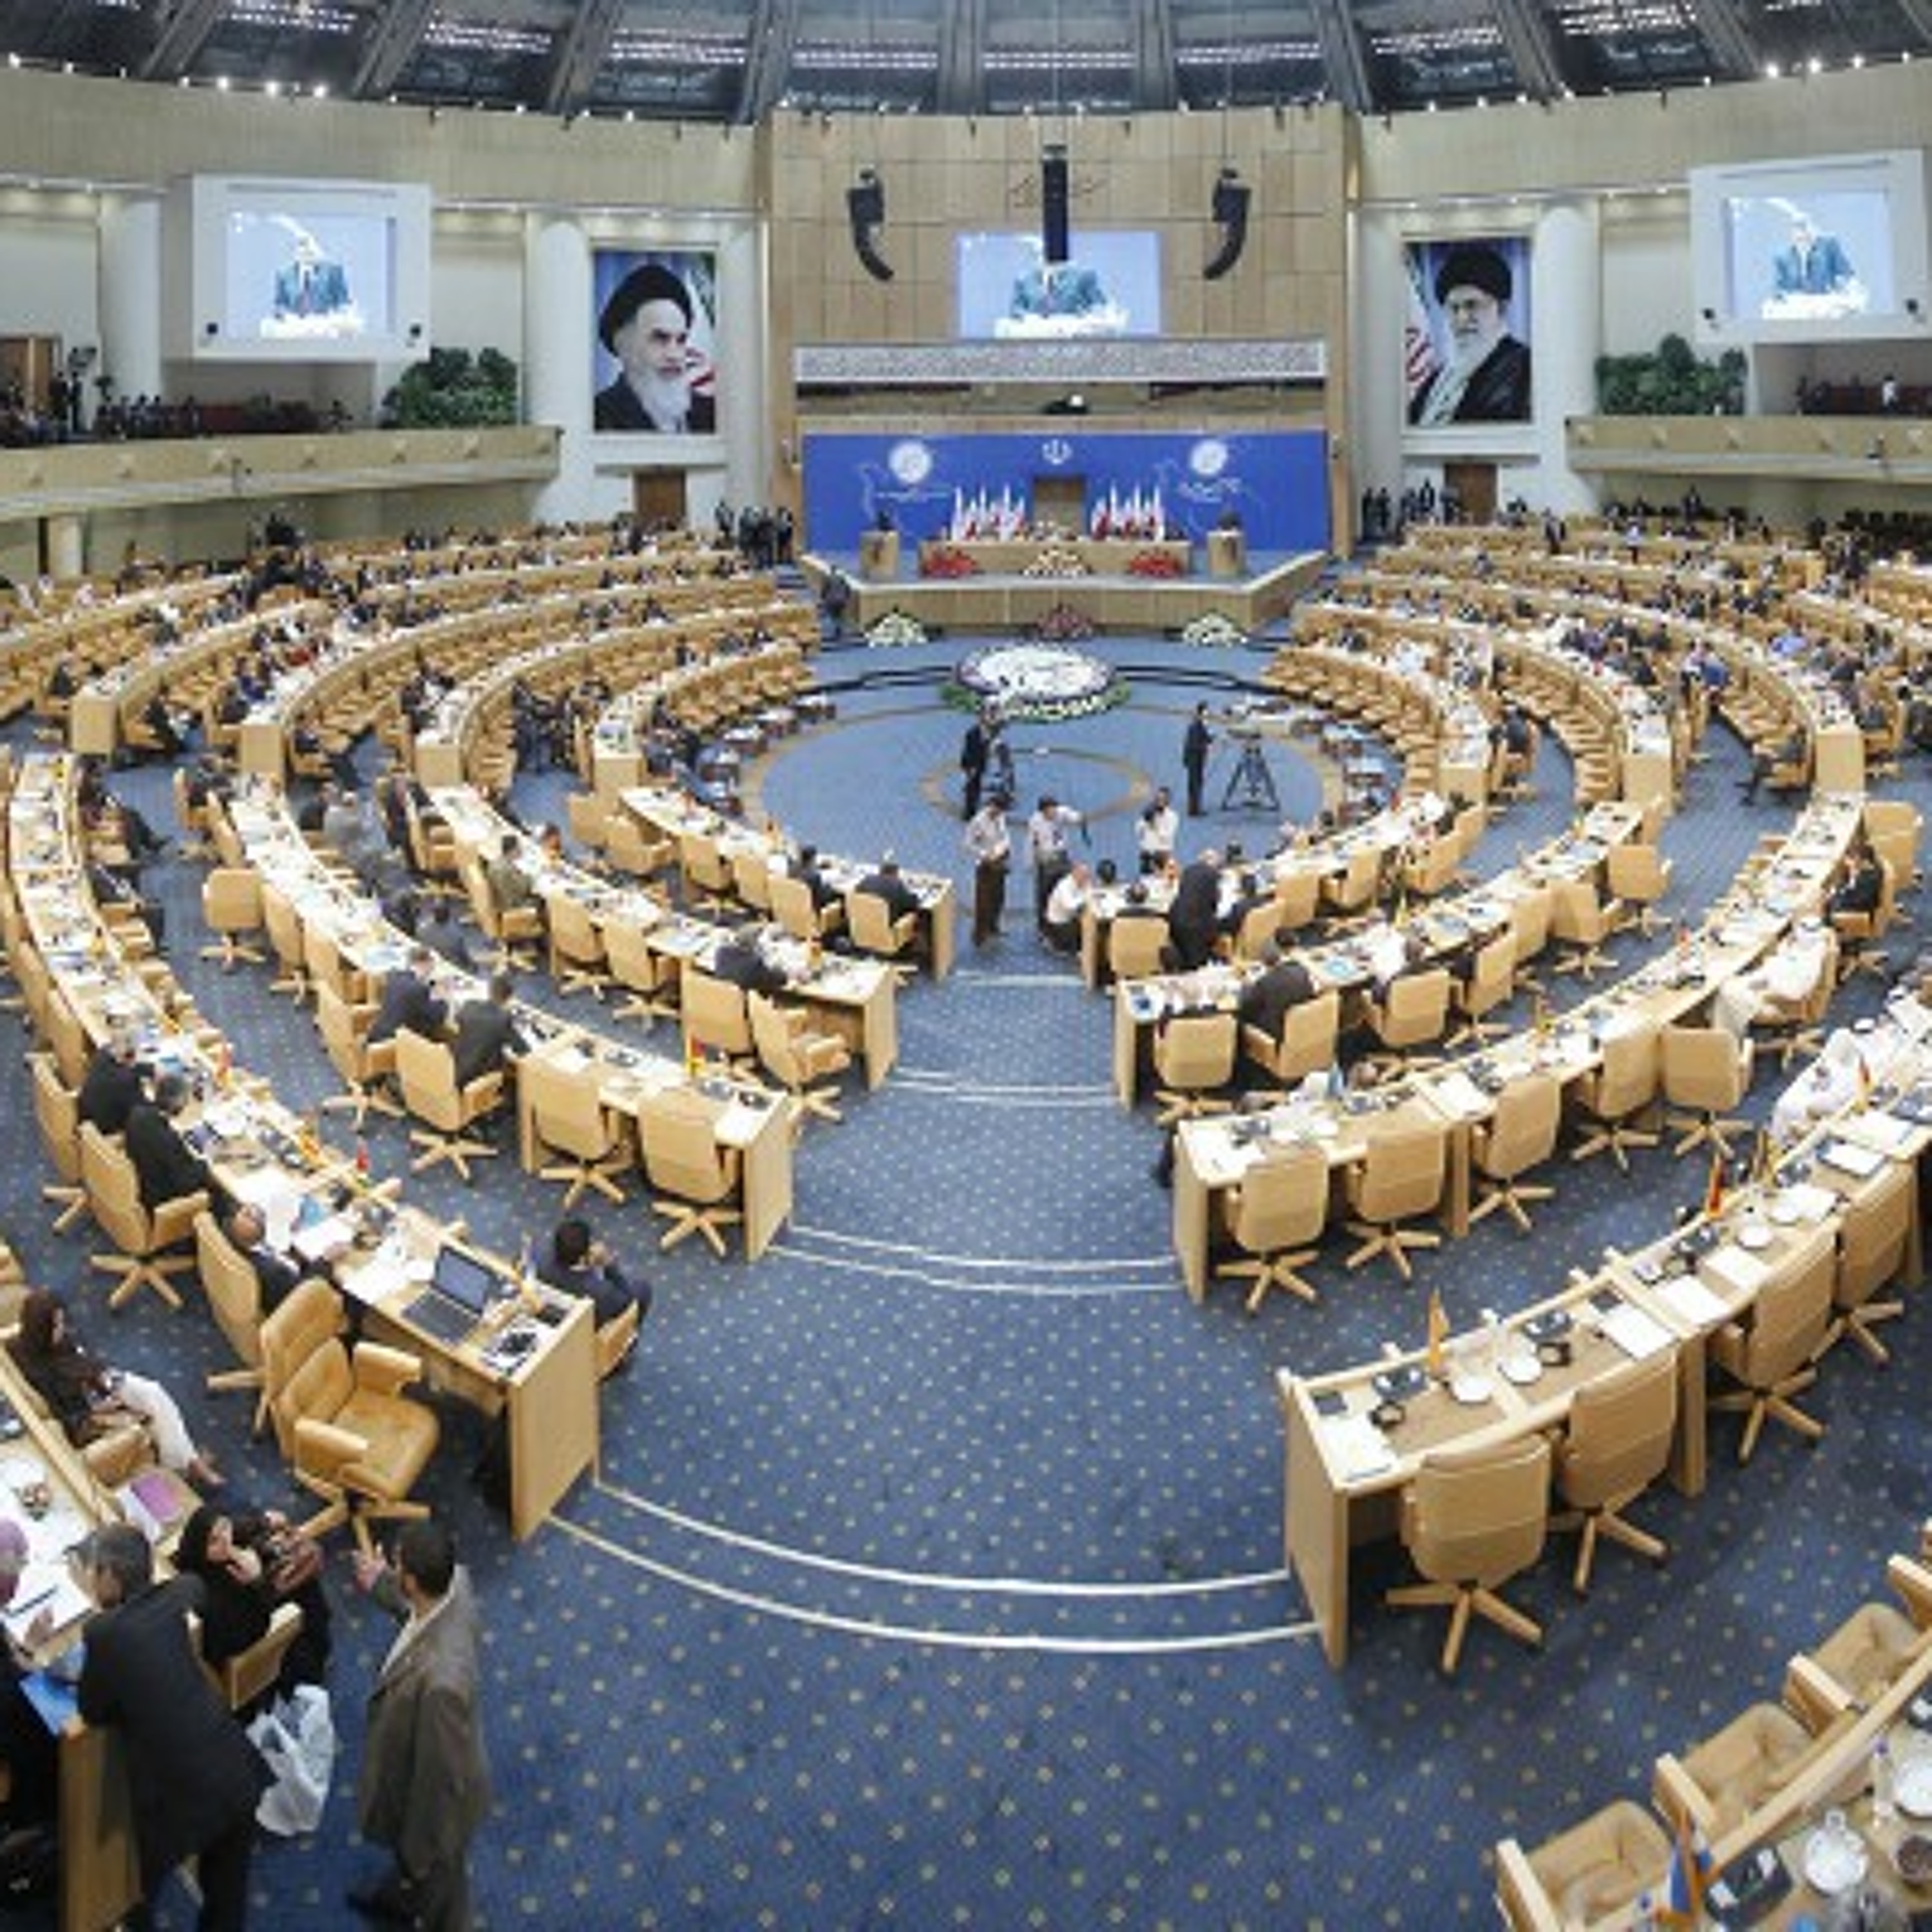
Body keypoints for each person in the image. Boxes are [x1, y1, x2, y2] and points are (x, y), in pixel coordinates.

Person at [75, 1524, 267, 1932]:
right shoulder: (180, 1592)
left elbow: (92, 1712)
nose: (89, 1579)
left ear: (109, 1576)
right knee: (227, 1900)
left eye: (91, 1571)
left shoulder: (103, 1634)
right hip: (234, 1769)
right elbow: (193, 1585)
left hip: (178, 1801)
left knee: (138, 1887)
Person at [350, 1519, 490, 1932]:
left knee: (443, 1894)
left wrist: (419, 1852)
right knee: (420, 1878)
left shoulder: (441, 1686)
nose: (390, 1568)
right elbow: (419, 1614)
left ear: (411, 1580)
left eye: (395, 1566)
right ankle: (406, 1894)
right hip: (418, 1764)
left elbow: (437, 1782)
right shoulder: (456, 1583)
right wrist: (380, 1583)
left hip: (440, 1811)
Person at [9, 1288, 223, 1490]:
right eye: (57, 1325)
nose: (63, 1328)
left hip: (98, 1382)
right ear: (41, 1329)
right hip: (89, 1409)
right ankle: (189, 1465)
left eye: (62, 1321)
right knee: (150, 1415)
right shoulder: (38, 1370)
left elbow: (80, 1361)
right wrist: (101, 1410)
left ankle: (188, 1462)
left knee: (153, 1393)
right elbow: (66, 1416)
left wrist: (102, 1381)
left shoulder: (50, 1343)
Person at [175, 1504, 333, 1698]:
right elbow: (256, 1629)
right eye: (214, 1541)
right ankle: (316, 1651)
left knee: (300, 1562)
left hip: (251, 1598)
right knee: (307, 1585)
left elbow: (237, 1527)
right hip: (248, 1635)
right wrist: (257, 1582)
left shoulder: (203, 1551)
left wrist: (264, 1521)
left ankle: (319, 1627)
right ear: (202, 1549)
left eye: (225, 1527)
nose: (226, 1541)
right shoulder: (211, 1592)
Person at [1408, 243, 1533, 426]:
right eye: (1453, 308)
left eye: (1472, 305)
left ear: (1502, 308)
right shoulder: (1438, 378)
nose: (1462, 319)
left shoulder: (1525, 367)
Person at [594, 261, 715, 434]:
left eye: (681, 340)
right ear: (623, 345)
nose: (675, 355)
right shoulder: (599, 416)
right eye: (660, 339)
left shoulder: (710, 413)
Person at [541, 1216, 649, 1335]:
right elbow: (626, 1299)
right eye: (591, 1243)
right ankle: (631, 1335)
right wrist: (608, 1263)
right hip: (587, 1329)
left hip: (557, 1318)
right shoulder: (601, 1292)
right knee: (642, 1288)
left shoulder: (541, 1263)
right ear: (582, 1258)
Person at [124, 1070, 214, 1213]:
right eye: (186, 1100)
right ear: (177, 1103)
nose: (186, 1103)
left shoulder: (137, 1113)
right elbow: (184, 1183)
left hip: (142, 1181)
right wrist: (206, 1162)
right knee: (214, 1184)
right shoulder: (168, 1140)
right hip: (161, 1199)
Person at [450, 971, 528, 1092]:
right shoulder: (503, 1020)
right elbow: (523, 1050)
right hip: (479, 1080)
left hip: (457, 1068)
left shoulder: (470, 1005)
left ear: (489, 990)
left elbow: (457, 1019)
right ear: (509, 998)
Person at [223, 1201, 305, 1311]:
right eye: (249, 1216)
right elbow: (304, 1293)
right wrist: (324, 1261)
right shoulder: (275, 1272)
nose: (254, 1213)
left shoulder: (226, 1230)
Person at [1237, 935, 1316, 1040]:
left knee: (1236, 1020)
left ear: (1265, 963)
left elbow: (1246, 1007)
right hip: (1300, 1029)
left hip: (1273, 1035)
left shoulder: (1265, 983)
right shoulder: (1301, 971)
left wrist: (1245, 985)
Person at [1025, 795, 1084, 934]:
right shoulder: (1035, 821)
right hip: (1046, 859)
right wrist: (1030, 862)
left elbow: (1074, 816)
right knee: (1044, 893)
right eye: (1050, 810)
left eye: (1054, 808)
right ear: (1043, 811)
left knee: (1067, 886)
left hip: (1062, 857)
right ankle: (1043, 926)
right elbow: (1030, 843)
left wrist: (1079, 818)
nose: (1053, 812)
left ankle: (1065, 917)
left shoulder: (1060, 812)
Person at [77, 1021, 148, 1135]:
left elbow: (129, 1067)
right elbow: (146, 1114)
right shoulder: (126, 1081)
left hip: (88, 1123)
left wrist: (148, 1069)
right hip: (109, 1134)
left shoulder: (102, 1054)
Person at [368, 944, 448, 1046]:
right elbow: (436, 1017)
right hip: (394, 1044)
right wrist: (442, 999)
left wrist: (429, 985)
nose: (432, 971)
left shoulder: (394, 976)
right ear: (424, 964)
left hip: (377, 1033)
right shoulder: (418, 989)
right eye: (432, 967)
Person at [964, 794, 1012, 947]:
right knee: (983, 901)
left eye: (1001, 811)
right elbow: (968, 844)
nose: (999, 813)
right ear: (991, 805)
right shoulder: (978, 822)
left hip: (999, 860)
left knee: (998, 897)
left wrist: (1001, 849)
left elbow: (1005, 836)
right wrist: (985, 854)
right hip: (985, 865)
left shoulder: (1000, 817)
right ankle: (979, 935)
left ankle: (994, 927)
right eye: (997, 810)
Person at [1771, 212, 1855, 299]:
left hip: (1827, 301)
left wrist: (1842, 287)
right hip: (1798, 304)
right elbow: (1779, 288)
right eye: (1797, 229)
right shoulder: (1782, 257)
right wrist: (1782, 296)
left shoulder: (1828, 246)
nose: (1802, 234)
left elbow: (1846, 273)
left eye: (1805, 228)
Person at [1166, 849, 1223, 971]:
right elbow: (1213, 904)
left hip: (1177, 921)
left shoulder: (1187, 871)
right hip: (1198, 927)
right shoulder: (1213, 875)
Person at [272, 231, 352, 317]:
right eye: (302, 245)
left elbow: (343, 304)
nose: (306, 250)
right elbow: (280, 305)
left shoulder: (333, 272)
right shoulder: (284, 275)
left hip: (328, 324)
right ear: (294, 251)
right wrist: (285, 316)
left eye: (311, 247)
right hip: (294, 324)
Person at [709, 923, 788, 996]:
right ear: (755, 944)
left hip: (722, 997)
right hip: (743, 1002)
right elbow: (781, 979)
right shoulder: (754, 964)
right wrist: (776, 966)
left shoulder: (722, 953)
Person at [1041, 860, 1092, 956]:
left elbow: (1090, 895)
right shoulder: (1064, 886)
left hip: (1072, 918)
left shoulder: (1085, 882)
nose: (1087, 878)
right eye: (1084, 875)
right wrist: (1086, 898)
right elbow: (1070, 906)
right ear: (1075, 874)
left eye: (1088, 875)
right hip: (1060, 923)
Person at [855, 854, 921, 924]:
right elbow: (910, 904)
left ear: (881, 870)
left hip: (862, 925)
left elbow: (856, 893)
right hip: (885, 927)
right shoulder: (897, 885)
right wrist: (915, 898)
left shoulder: (867, 880)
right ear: (895, 872)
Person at [1182, 704, 1215, 817]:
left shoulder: (1200, 725)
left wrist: (1212, 739)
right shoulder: (1196, 726)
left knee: (1197, 783)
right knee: (1195, 784)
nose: (1207, 716)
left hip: (1197, 758)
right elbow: (1195, 745)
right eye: (1206, 714)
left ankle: (1195, 808)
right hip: (1194, 759)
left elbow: (1205, 738)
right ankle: (1194, 810)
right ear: (1200, 714)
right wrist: (1207, 746)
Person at [1137, 787, 1179, 875]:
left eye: (1163, 799)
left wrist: (1154, 826)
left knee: (1161, 879)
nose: (1159, 801)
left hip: (1162, 853)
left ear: (1168, 801)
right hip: (1147, 852)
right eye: (1158, 798)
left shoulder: (1172, 816)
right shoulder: (1149, 812)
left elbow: (1167, 837)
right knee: (1145, 877)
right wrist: (1145, 822)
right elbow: (1138, 830)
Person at [959, 710, 991, 821]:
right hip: (972, 764)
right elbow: (969, 751)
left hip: (980, 764)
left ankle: (974, 807)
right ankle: (968, 812)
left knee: (977, 786)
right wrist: (971, 767)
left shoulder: (986, 732)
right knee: (971, 788)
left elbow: (985, 749)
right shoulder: (972, 733)